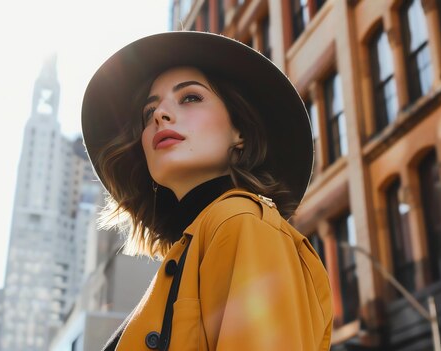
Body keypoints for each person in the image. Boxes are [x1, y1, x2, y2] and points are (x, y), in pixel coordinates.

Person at [81, 31, 333, 351]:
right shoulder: (195, 245)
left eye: (190, 97)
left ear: (239, 132)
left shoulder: (240, 221)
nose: (160, 115)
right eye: (149, 113)